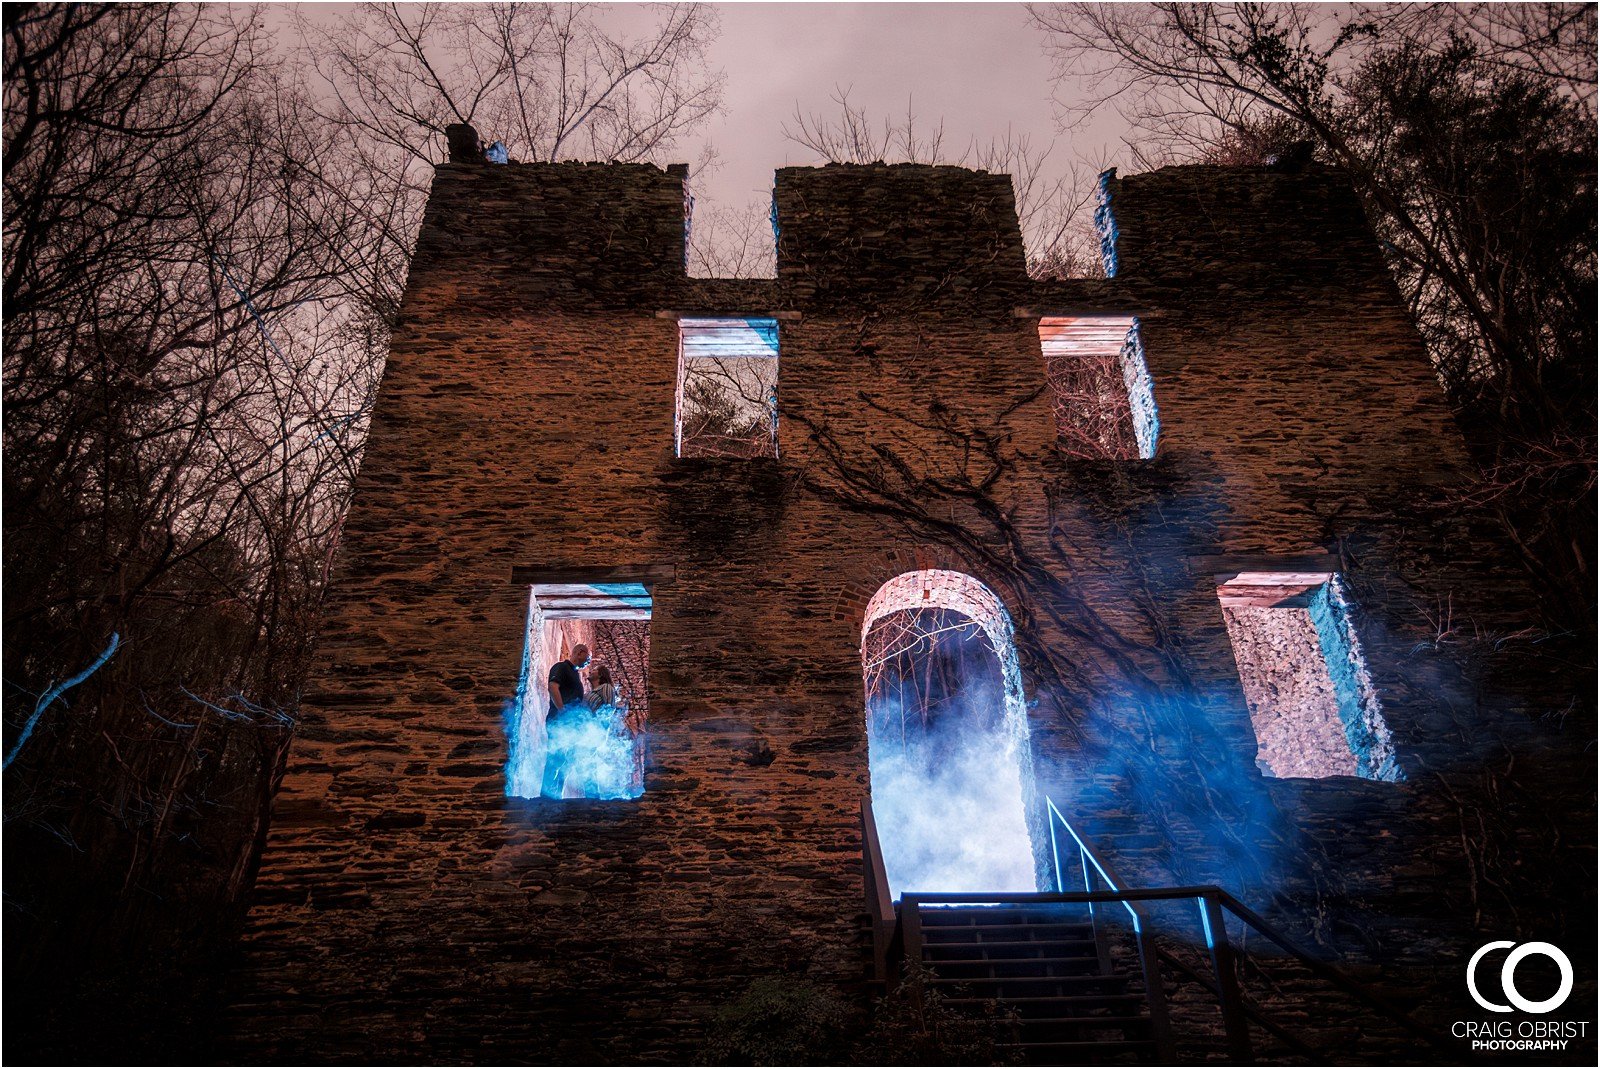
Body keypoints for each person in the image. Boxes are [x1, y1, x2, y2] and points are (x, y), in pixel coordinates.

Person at [542, 644, 589, 797]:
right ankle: (546, 796)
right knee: (555, 758)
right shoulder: (561, 667)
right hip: (559, 722)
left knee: (564, 762)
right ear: (580, 653)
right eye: (587, 657)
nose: (588, 661)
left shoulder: (576, 675)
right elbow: (553, 687)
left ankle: (556, 796)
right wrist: (562, 711)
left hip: (570, 726)